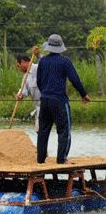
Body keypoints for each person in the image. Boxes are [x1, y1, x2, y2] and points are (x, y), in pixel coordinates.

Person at [36, 34, 91, 164]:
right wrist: (83, 94)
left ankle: (40, 160)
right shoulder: (65, 61)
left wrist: (45, 92)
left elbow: (39, 80)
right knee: (64, 129)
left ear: (49, 47)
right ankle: (61, 159)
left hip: (44, 100)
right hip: (59, 101)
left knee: (43, 130)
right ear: (61, 47)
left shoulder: (43, 61)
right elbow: (75, 79)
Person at [16, 46, 41, 132]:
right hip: (39, 108)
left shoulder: (38, 68)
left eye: (18, 66)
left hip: (49, 103)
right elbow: (23, 92)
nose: (18, 68)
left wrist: (38, 55)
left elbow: (45, 63)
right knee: (39, 131)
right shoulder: (25, 77)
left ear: (23, 62)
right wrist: (20, 96)